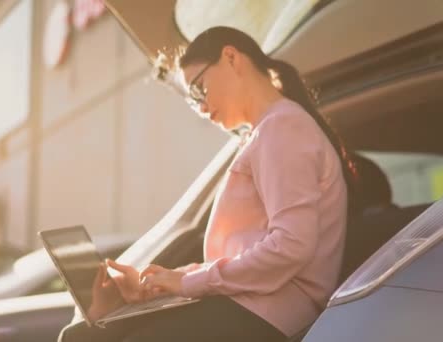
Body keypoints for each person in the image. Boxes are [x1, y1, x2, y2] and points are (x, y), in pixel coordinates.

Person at [58, 26, 355, 342]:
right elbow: (248, 255)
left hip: (269, 312)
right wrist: (164, 281)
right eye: (192, 100)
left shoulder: (282, 128)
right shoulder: (270, 130)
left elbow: (290, 247)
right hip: (256, 305)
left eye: (199, 89)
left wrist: (186, 284)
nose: (200, 107)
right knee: (83, 335)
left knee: (86, 337)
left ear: (231, 58)